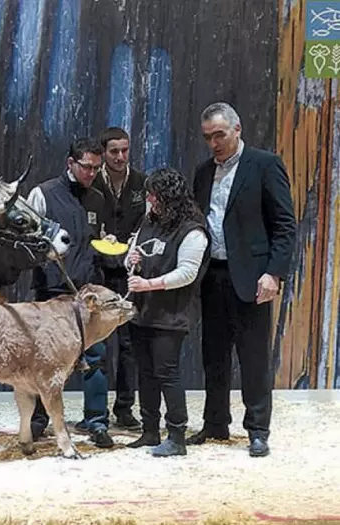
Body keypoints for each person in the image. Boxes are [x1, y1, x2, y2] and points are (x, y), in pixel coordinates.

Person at [188, 102, 296, 457]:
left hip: (253, 277)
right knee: (213, 354)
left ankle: (258, 429)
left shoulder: (264, 165)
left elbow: (284, 225)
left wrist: (274, 273)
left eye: (219, 134)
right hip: (212, 275)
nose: (214, 143)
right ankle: (216, 422)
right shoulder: (203, 172)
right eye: (208, 137)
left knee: (253, 358)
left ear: (237, 129)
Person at [27, 137, 114, 449]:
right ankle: (38, 421)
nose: (91, 173)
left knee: (95, 358)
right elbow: (24, 239)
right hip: (51, 292)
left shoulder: (98, 199)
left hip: (86, 294)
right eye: (86, 167)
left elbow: (97, 240)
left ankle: (97, 421)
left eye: (96, 168)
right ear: (71, 163)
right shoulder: (43, 194)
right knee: (44, 360)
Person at [124, 168, 211, 457]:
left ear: (168, 198)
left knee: (167, 373)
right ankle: (150, 430)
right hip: (143, 311)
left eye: (153, 194)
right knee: (146, 373)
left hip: (170, 314)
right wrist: (131, 259)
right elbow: (131, 252)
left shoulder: (192, 230)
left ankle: (177, 435)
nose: (148, 199)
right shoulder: (150, 220)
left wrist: (149, 284)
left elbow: (187, 272)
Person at [92, 127, 146, 430]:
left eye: (125, 150)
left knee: (129, 346)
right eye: (114, 151)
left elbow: (149, 222)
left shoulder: (140, 182)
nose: (120, 157)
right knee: (95, 346)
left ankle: (125, 408)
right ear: (103, 153)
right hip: (96, 272)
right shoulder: (91, 182)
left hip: (128, 274)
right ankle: (95, 414)